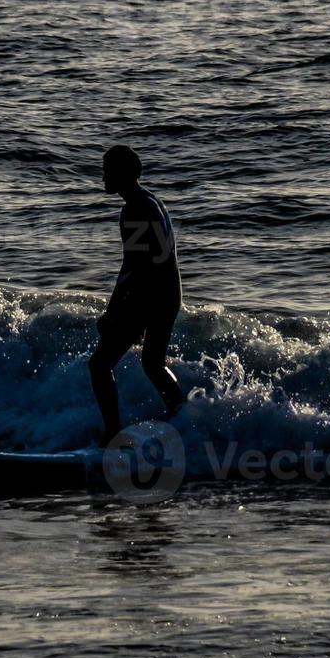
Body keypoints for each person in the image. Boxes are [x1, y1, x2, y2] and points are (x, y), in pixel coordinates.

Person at [89, 145, 185, 446]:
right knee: (153, 364)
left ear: (123, 173)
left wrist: (113, 312)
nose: (103, 176)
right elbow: (152, 261)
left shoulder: (134, 209)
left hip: (151, 295)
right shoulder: (151, 201)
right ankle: (185, 418)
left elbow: (135, 266)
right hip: (168, 294)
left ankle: (112, 435)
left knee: (99, 365)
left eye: (108, 170)